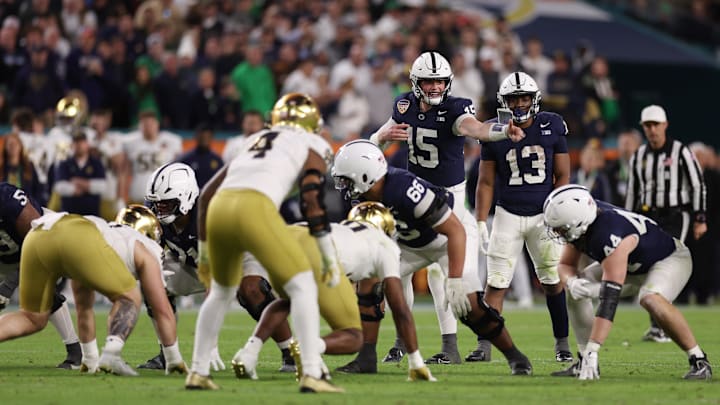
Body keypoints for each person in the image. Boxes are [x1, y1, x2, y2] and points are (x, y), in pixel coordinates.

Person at [368, 51, 524, 364]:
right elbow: (375, 145)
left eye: (440, 80)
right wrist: (379, 136)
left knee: (454, 283)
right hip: (412, 203)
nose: (436, 87)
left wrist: (502, 131)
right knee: (392, 275)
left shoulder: (456, 107)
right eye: (429, 80)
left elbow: (475, 128)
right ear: (416, 82)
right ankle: (401, 342)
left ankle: (454, 348)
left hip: (447, 204)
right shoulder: (404, 104)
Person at [186, 93, 344, 393]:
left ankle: (198, 372)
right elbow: (311, 198)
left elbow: (206, 194)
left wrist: (205, 252)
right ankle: (311, 373)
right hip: (254, 206)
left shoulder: (254, 139)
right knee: (303, 287)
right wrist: (326, 253)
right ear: (312, 123)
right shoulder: (314, 143)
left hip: (219, 207)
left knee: (220, 293)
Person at [332, 140, 532, 376]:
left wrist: (456, 279)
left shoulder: (403, 188)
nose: (344, 186)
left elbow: (454, 230)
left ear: (365, 174)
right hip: (410, 243)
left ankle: (516, 357)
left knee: (468, 305)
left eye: (346, 179)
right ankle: (366, 357)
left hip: (449, 239)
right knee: (369, 279)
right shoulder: (364, 197)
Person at [232, 202, 435, 382]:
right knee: (354, 336)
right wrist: (416, 361)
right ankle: (308, 349)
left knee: (287, 300)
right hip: (319, 250)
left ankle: (248, 353)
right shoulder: (385, 245)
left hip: (290, 234)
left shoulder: (346, 227)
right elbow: (400, 308)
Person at [543, 184, 712, 380]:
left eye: (561, 228)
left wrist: (594, 348)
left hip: (669, 260)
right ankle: (583, 361)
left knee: (650, 298)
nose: (556, 233)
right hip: (632, 265)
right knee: (576, 287)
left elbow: (609, 299)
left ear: (577, 221)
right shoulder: (586, 217)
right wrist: (572, 282)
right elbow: (565, 265)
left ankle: (698, 360)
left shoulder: (610, 234)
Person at [0, 204, 187, 376]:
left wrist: (90, 360)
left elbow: (83, 306)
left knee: (31, 318)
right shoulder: (146, 248)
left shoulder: (105, 236)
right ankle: (112, 355)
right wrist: (174, 359)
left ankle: (90, 359)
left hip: (39, 234)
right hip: (77, 237)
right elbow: (162, 310)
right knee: (130, 297)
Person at [474, 71, 572, 363]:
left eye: (524, 98)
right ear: (504, 101)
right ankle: (484, 345)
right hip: (507, 213)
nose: (518, 104)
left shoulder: (551, 124)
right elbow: (486, 181)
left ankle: (562, 343)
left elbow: (564, 174)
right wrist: (481, 219)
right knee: (497, 282)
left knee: (552, 279)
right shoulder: (494, 130)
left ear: (534, 99)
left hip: (544, 215)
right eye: (514, 99)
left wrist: (558, 211)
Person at [626, 104, 707, 342]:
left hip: (675, 215)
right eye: (647, 126)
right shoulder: (639, 156)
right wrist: (628, 220)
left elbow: (697, 185)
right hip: (648, 216)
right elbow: (633, 191)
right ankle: (657, 325)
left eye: (655, 125)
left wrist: (700, 217)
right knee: (649, 266)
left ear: (665, 125)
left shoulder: (680, 151)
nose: (652, 130)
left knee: (665, 262)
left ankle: (661, 326)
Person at [136, 163, 224, 372]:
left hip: (230, 268)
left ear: (185, 198)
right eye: (157, 204)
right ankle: (167, 353)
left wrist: (211, 345)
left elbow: (214, 279)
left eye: (166, 204)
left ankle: (289, 352)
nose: (159, 210)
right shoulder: (155, 216)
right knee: (152, 283)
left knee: (255, 294)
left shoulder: (208, 214)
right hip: (192, 267)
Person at [0, 182, 82, 369]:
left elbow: (38, 243)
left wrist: (7, 287)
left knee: (41, 294)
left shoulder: (7, 199)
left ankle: (79, 352)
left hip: (47, 240)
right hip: (8, 254)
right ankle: (77, 352)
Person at [124, 109, 183, 204]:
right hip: (137, 195)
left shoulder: (171, 141)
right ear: (139, 126)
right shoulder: (131, 142)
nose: (148, 127)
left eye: (150, 124)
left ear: (157, 124)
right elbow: (125, 170)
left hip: (161, 199)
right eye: (145, 124)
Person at [52, 129, 107, 216]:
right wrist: (86, 188)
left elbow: (102, 186)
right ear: (71, 145)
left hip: (92, 215)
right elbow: (60, 187)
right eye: (76, 142)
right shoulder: (64, 164)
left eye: (82, 142)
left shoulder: (96, 163)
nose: (79, 145)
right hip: (69, 214)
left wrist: (79, 182)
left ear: (87, 144)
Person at [177, 125, 224, 189]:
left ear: (212, 137)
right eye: (202, 136)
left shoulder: (218, 160)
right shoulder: (185, 159)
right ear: (196, 137)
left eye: (208, 136)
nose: (205, 139)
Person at [605, 129, 642, 207]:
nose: (625, 148)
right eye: (622, 144)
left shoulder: (645, 168)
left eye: (628, 143)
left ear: (638, 145)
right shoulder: (610, 169)